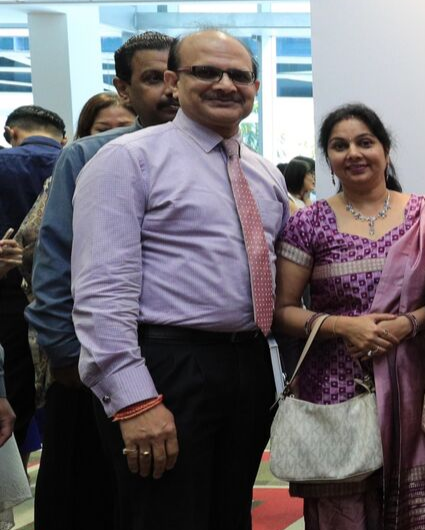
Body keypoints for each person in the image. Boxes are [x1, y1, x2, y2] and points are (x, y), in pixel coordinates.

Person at [71, 29, 287, 529]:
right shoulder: (128, 160)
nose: (226, 85)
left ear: (255, 86)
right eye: (207, 72)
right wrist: (135, 400)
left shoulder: (263, 173)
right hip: (167, 366)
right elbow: (101, 292)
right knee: (166, 516)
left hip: (247, 365)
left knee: (229, 513)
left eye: (240, 75)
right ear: (174, 80)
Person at [275, 103, 425, 529]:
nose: (354, 153)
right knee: (347, 510)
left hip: (416, 384)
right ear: (328, 159)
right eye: (340, 146)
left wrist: (410, 323)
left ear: (386, 150)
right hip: (337, 389)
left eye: (365, 142)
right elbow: (282, 312)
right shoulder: (309, 224)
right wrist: (343, 326)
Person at [24, 30, 177, 529]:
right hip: (93, 366)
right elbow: (56, 264)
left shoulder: (217, 157)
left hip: (174, 362)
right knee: (90, 499)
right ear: (125, 89)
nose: (170, 89)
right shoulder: (90, 154)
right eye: (153, 78)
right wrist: (68, 357)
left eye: (177, 75)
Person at [0, 104, 66, 466]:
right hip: (67, 309)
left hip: (8, 304)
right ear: (65, 137)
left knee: (11, 414)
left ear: (11, 133)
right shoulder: (79, 164)